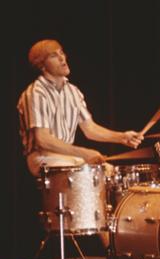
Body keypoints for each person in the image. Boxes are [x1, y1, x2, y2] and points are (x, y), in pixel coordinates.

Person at [17, 39, 143, 177]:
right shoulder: (35, 92)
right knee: (85, 168)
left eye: (62, 53)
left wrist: (122, 137)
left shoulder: (73, 91)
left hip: (66, 155)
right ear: (42, 66)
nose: (62, 58)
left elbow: (90, 129)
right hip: (42, 157)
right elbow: (43, 140)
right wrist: (83, 153)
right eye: (54, 56)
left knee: (110, 171)